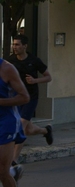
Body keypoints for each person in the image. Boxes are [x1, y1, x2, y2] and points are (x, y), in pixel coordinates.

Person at [7, 35, 53, 166]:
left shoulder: (34, 60)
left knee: (20, 127)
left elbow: (48, 77)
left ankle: (14, 160)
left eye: (17, 45)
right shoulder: (10, 61)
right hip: (16, 98)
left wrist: (35, 81)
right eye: (13, 44)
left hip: (30, 97)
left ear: (25, 46)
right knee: (28, 130)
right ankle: (46, 131)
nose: (14, 47)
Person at [0, 58, 30, 187]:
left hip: (6, 123)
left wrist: (0, 102)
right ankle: (13, 173)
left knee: (2, 169)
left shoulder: (7, 69)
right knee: (3, 170)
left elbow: (25, 97)